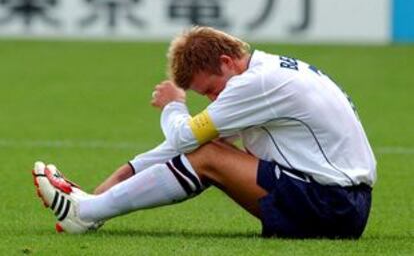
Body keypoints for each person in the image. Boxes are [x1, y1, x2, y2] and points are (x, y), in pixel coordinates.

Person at [33, 26, 376, 238]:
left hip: (332, 207)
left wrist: (174, 104)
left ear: (227, 62)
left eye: (211, 89)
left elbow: (186, 139)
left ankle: (84, 214)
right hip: (340, 204)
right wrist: (107, 187)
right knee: (211, 146)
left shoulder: (255, 84)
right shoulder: (267, 71)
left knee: (209, 155)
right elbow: (188, 141)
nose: (213, 100)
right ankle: (90, 210)